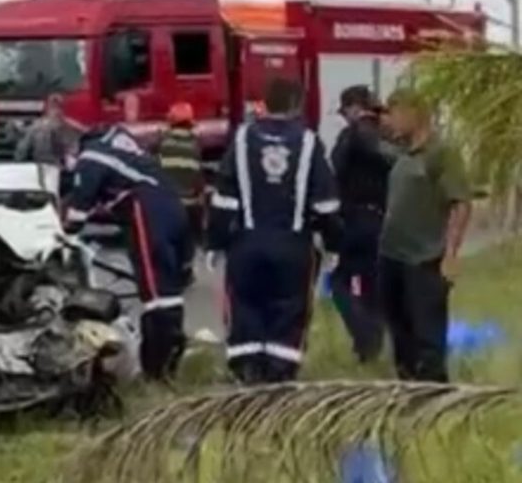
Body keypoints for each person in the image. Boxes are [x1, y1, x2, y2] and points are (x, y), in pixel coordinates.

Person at [206, 78, 342, 384]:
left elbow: (224, 199)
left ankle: (247, 379)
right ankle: (279, 383)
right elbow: (326, 204)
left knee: (245, 307)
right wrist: (333, 243)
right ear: (296, 105)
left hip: (246, 245)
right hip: (293, 247)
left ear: (264, 104)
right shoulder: (308, 142)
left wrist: (214, 242)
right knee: (290, 312)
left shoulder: (241, 139)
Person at [62, 99, 194, 381]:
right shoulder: (119, 139)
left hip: (145, 209)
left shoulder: (91, 156)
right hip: (174, 205)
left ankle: (156, 367)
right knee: (170, 290)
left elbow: (78, 211)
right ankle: (171, 359)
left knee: (154, 293)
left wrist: (63, 233)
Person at [379, 89, 472, 383]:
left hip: (424, 258)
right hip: (392, 255)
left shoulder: (440, 153)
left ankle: (432, 394)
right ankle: (408, 388)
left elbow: (461, 204)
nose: (389, 120)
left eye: (394, 113)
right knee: (399, 329)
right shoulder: (403, 152)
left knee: (427, 333)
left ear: (414, 113)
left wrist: (450, 254)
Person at [329, 85, 400, 363]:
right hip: (384, 220)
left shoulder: (352, 135)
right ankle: (370, 343)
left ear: (354, 108)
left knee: (339, 283)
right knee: (372, 284)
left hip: (356, 221)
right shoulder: (391, 135)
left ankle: (365, 334)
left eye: (345, 111)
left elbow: (335, 171)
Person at [158, 101, 204, 244]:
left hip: (167, 207)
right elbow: (198, 182)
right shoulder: (194, 147)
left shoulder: (162, 144)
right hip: (188, 210)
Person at [14, 93, 72, 165]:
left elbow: (68, 150)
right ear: (48, 109)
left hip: (55, 165)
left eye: (58, 107)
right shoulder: (37, 125)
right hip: (41, 164)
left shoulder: (67, 127)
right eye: (53, 107)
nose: (56, 111)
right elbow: (23, 147)